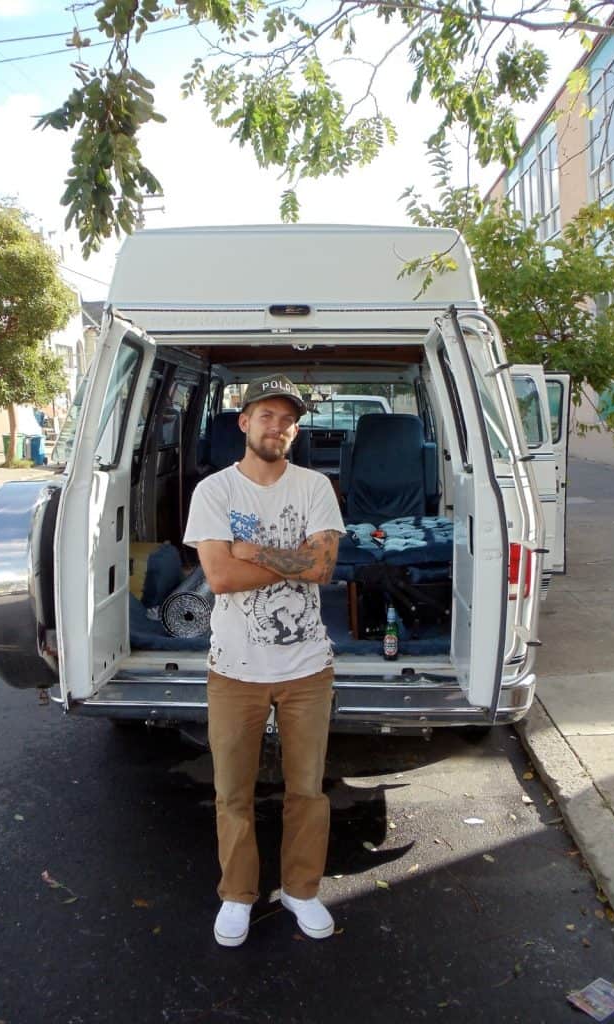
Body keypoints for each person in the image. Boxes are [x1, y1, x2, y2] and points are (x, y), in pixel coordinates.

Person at [183, 374, 345, 947]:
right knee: (233, 792)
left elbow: (323, 567)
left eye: (287, 419)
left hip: (307, 668)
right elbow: (221, 577)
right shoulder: (215, 493)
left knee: (308, 789)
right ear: (243, 422)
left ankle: (302, 890)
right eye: (266, 416)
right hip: (234, 669)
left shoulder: (315, 487)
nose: (277, 426)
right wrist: (289, 558)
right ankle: (237, 895)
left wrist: (252, 549)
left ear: (296, 430)